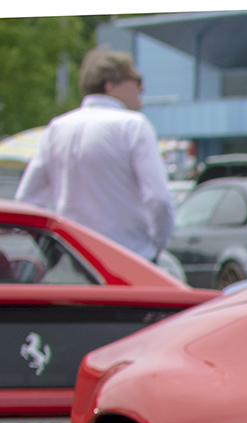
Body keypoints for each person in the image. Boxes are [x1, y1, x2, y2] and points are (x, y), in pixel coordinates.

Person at [18, 48, 174, 268]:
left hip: (73, 258)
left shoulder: (56, 127)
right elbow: (159, 198)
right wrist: (158, 244)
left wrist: (52, 247)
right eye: (137, 80)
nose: (142, 88)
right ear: (110, 85)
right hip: (130, 256)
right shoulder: (134, 125)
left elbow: (27, 199)